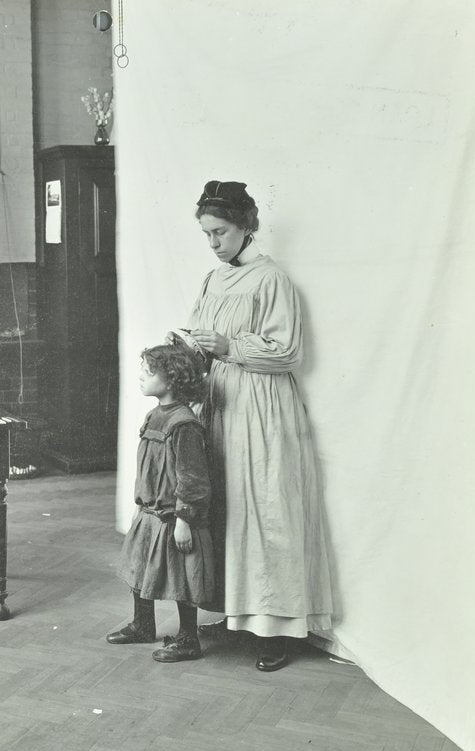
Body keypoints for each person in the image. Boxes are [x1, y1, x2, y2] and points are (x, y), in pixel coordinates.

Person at [189, 180, 333, 671]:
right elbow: (198, 335)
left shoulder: (272, 280)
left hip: (262, 404)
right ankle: (236, 614)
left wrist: (229, 347)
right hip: (221, 402)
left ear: (247, 226)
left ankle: (276, 628)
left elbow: (289, 352)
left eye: (221, 232)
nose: (213, 243)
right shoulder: (212, 280)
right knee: (226, 508)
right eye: (206, 233)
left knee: (265, 507)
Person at [108, 340, 219, 663]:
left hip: (175, 518)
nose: (141, 377)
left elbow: (192, 478)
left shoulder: (183, 423)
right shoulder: (155, 415)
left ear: (171, 378)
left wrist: (185, 520)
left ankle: (188, 639)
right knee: (139, 569)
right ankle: (143, 625)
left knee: (182, 579)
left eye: (148, 372)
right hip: (150, 513)